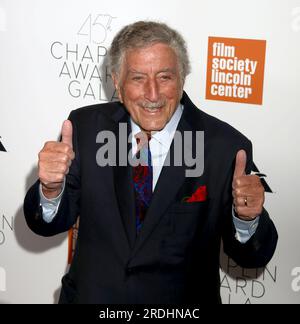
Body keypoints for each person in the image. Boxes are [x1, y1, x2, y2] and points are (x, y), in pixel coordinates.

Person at [23, 21, 278, 304]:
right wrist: (49, 190)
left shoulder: (225, 147)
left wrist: (247, 219)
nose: (153, 94)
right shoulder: (85, 128)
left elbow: (250, 255)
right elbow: (47, 225)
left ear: (182, 78)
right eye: (137, 78)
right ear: (117, 83)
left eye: (165, 77)